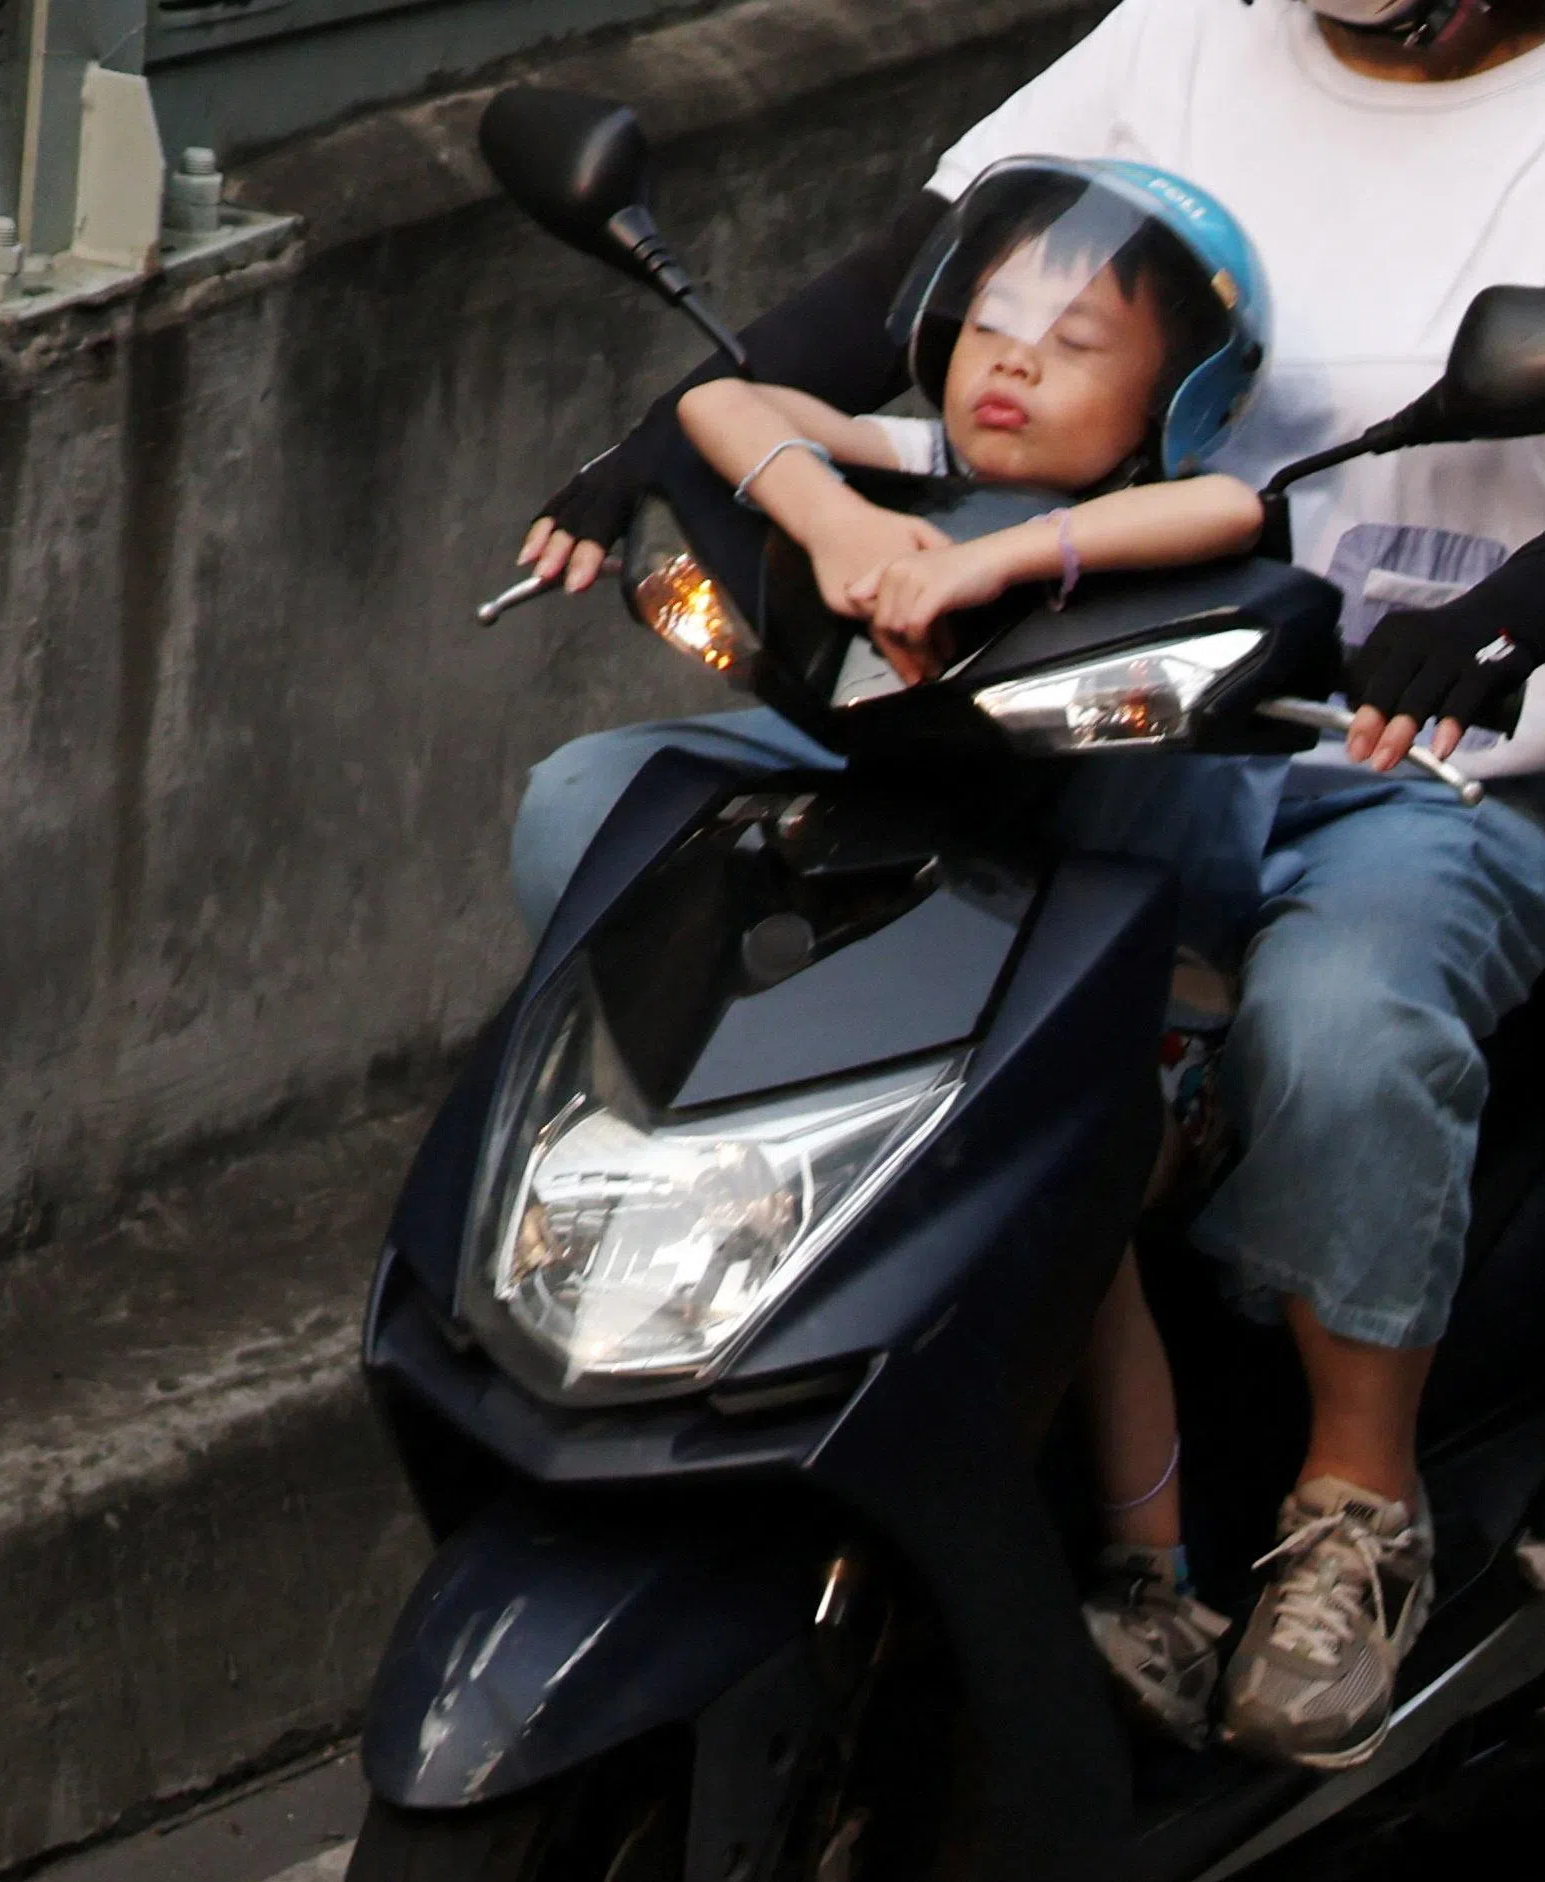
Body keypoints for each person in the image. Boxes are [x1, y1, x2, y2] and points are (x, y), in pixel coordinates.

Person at [522, 0, 1545, 1770]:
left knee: (1339, 1031)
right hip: (1031, 711)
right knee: (606, 813)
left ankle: (1352, 1514)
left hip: (1382, 754)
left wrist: (1506, 615)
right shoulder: (1179, 37)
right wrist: (657, 444)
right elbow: (901, 284)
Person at [516, 166, 1287, 1744]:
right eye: (991, 321)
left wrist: (993, 562)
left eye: (1077, 344)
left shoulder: (1161, 515)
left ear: (1176, 394)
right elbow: (733, 416)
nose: (1014, 361)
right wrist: (843, 515)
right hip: (917, 917)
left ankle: (1151, 1573)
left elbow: (1224, 511)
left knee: (1086, 1220)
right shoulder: (920, 459)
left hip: (1101, 981)